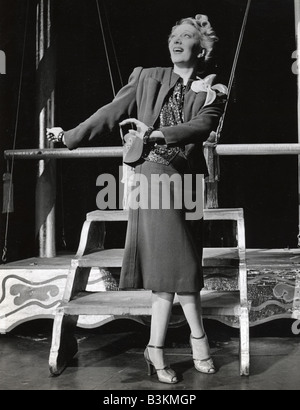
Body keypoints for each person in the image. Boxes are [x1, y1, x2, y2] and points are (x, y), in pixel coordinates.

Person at [47, 14, 228, 385]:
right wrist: (70, 136)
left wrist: (157, 132)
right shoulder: (147, 75)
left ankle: (172, 345)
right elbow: (111, 113)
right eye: (174, 34)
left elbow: (202, 126)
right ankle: (178, 345)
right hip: (154, 177)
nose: (177, 40)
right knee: (172, 268)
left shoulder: (213, 89)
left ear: (202, 46)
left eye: (187, 35)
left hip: (189, 182)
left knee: (186, 265)